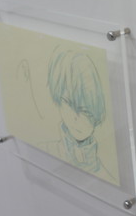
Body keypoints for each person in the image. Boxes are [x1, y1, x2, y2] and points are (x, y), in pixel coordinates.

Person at [45, 49, 113, 181]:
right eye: (67, 102)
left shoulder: (106, 174)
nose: (76, 117)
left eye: (84, 109)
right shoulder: (45, 151)